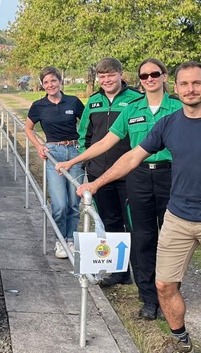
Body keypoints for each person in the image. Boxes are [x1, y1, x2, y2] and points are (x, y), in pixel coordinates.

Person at [78, 61, 201, 353]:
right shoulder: (170, 123)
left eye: (196, 84)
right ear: (177, 86)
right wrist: (97, 183)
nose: (190, 89)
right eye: (184, 84)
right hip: (178, 217)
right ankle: (181, 340)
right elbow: (132, 157)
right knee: (163, 285)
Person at [56, 58, 181, 320]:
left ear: (164, 76)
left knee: (171, 240)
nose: (149, 79)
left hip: (173, 177)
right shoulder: (133, 109)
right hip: (138, 176)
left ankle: (169, 291)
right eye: (144, 76)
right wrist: (74, 160)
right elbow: (104, 141)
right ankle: (148, 297)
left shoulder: (179, 108)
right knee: (141, 237)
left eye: (154, 74)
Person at [72, 57, 142, 287]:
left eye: (111, 75)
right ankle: (118, 271)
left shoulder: (135, 100)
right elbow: (85, 135)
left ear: (121, 74)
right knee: (109, 222)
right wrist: (87, 161)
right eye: (102, 76)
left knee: (132, 224)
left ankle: (140, 272)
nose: (107, 80)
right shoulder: (93, 102)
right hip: (99, 174)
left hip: (128, 172)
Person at [24, 66, 85, 259]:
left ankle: (71, 239)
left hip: (74, 153)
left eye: (53, 81)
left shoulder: (73, 102)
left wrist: (84, 148)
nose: (50, 85)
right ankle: (59, 239)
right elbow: (28, 129)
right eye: (46, 82)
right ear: (42, 85)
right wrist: (39, 146)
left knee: (74, 202)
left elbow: (86, 126)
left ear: (60, 81)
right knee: (59, 204)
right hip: (54, 153)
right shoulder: (38, 106)